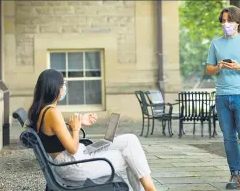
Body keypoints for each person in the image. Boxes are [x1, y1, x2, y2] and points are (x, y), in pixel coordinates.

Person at [27, 69, 157, 191]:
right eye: (63, 84)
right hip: (74, 166)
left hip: (72, 160)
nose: (64, 88)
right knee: (130, 155)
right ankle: (150, 189)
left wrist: (78, 122)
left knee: (130, 140)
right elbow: (72, 149)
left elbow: (53, 135)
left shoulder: (41, 111)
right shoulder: (52, 112)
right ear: (56, 89)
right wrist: (76, 129)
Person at [205, 6, 240, 190]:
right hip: (222, 96)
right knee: (229, 138)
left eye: (229, 20)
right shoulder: (215, 43)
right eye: (223, 21)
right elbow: (209, 69)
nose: (226, 24)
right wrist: (219, 67)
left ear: (238, 22)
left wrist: (237, 67)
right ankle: (236, 175)